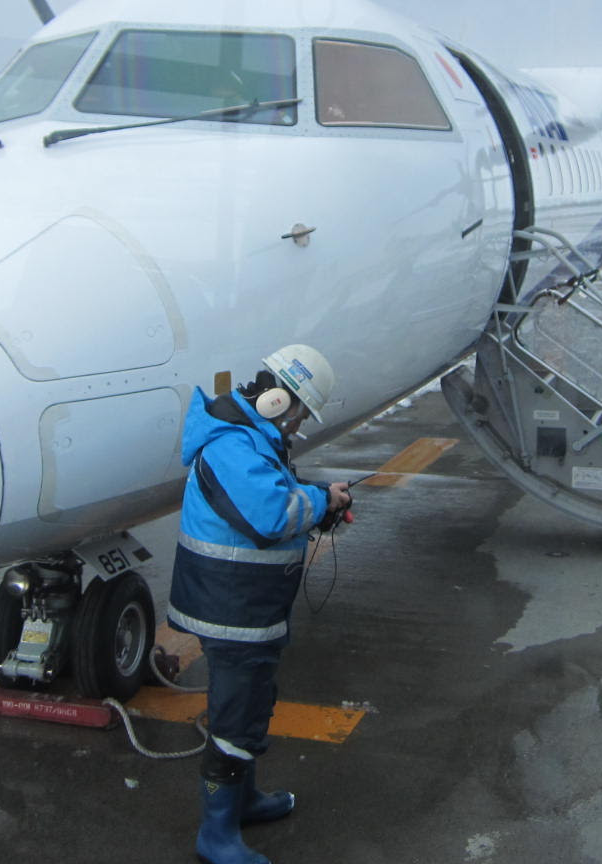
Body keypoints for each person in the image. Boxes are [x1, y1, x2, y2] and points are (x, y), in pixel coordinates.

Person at [167, 345, 351, 864]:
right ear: (277, 401)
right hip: (230, 611)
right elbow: (269, 514)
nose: (297, 426)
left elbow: (272, 491)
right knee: (235, 716)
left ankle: (243, 800)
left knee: (254, 703)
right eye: (299, 414)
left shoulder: (249, 440)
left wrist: (317, 497)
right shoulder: (231, 446)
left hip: (252, 609)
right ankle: (216, 833)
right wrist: (321, 502)